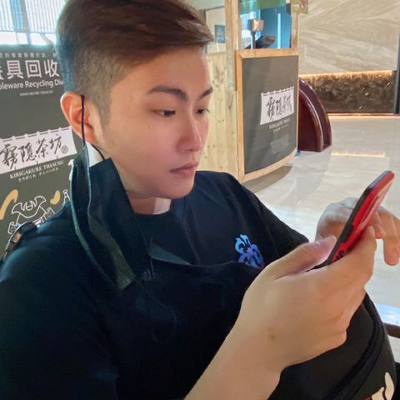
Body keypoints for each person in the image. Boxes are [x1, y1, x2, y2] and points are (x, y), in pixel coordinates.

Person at [0, 1, 399, 399]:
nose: (194, 139)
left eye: (202, 107)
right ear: (84, 117)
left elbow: (299, 293)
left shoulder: (224, 193)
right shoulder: (40, 287)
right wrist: (257, 355)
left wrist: (328, 247)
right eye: (165, 111)